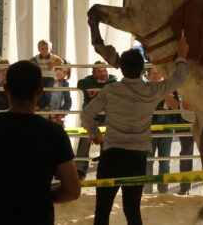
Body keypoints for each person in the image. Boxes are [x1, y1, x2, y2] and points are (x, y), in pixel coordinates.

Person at [0, 59, 81, 224]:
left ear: (6, 89)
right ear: (40, 91)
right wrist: (41, 197)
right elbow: (72, 191)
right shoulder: (54, 132)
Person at [81, 35, 189, 225]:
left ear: (121, 69)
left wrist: (94, 133)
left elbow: (86, 115)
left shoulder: (110, 90)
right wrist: (181, 55)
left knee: (102, 212)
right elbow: (179, 77)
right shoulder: (152, 90)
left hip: (111, 156)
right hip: (135, 159)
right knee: (132, 211)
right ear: (142, 70)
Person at [75, 63, 119, 180]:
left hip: (107, 120)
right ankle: (79, 172)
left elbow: (115, 82)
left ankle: (105, 172)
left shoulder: (113, 80)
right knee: (83, 146)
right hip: (90, 120)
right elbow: (80, 83)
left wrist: (98, 89)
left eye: (105, 70)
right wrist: (98, 86)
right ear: (93, 73)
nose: (103, 73)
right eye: (99, 71)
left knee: (106, 147)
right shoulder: (87, 82)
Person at [143, 66, 178, 194]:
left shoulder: (170, 88)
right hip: (148, 131)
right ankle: (147, 191)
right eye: (154, 73)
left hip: (166, 130)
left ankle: (163, 191)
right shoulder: (144, 88)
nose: (157, 76)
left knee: (165, 162)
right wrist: (163, 95)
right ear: (148, 75)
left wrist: (167, 95)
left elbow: (175, 106)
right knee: (148, 161)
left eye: (159, 73)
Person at [30, 39, 65, 111]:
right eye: (42, 48)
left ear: (50, 49)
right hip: (40, 77)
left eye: (46, 48)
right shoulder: (36, 57)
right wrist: (35, 64)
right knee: (39, 91)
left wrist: (53, 64)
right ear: (38, 49)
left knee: (48, 91)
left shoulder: (52, 57)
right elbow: (29, 61)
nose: (44, 50)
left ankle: (46, 105)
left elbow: (61, 61)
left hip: (50, 77)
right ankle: (38, 105)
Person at [50, 60, 73, 125]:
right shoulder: (46, 81)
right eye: (60, 69)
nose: (61, 73)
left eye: (65, 72)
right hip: (44, 114)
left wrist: (61, 114)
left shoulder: (65, 84)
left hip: (56, 116)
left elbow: (68, 101)